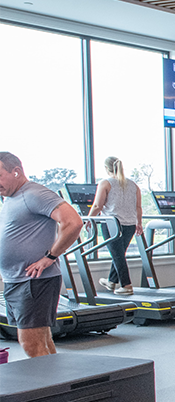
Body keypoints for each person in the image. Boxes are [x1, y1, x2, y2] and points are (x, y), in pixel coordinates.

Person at [0, 152, 83, 357]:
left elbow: (73, 222)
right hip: (17, 279)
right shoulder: (10, 198)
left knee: (30, 343)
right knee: (41, 341)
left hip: (33, 281)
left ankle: (50, 387)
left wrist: (50, 256)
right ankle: (57, 385)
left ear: (16, 172)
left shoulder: (34, 194)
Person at [87, 156, 143, 296]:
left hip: (112, 224)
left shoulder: (106, 183)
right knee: (119, 254)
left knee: (118, 255)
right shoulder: (133, 185)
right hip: (129, 224)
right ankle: (112, 281)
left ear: (107, 169)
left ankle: (126, 285)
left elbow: (97, 205)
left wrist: (89, 219)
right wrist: (139, 223)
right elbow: (138, 207)